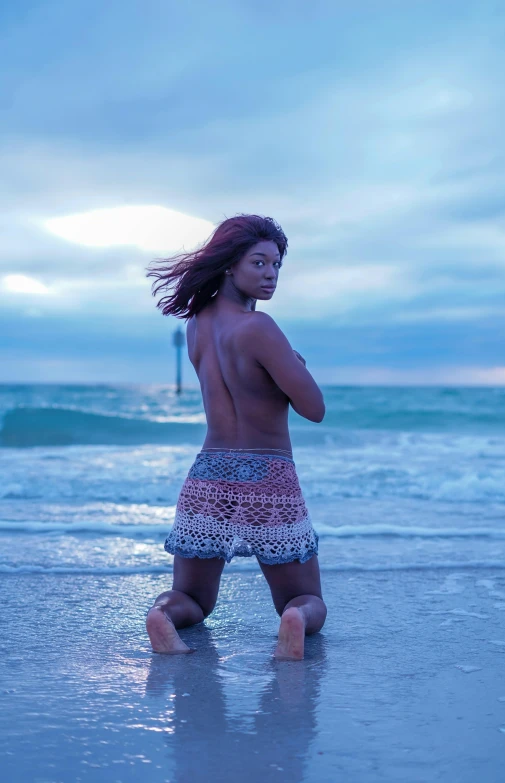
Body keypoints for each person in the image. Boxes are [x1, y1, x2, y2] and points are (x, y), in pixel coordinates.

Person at [145, 214, 327, 660]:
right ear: (230, 264)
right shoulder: (260, 328)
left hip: (209, 474)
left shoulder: (196, 326)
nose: (271, 275)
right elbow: (314, 409)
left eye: (277, 265)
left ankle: (163, 615)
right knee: (304, 600)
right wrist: (296, 364)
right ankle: (295, 622)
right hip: (269, 473)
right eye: (259, 263)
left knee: (194, 600)